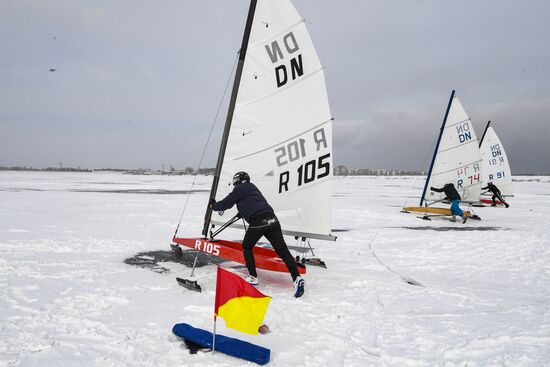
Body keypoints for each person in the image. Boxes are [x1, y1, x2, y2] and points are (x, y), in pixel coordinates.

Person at [210, 171, 305, 298]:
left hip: (259, 221)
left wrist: (213, 205)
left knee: (247, 246)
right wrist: (242, 211)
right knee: (282, 250)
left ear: (237, 181)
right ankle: (296, 278)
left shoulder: (239, 188)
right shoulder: (253, 188)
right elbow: (251, 202)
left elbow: (226, 203)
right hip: (272, 219)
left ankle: (253, 277)